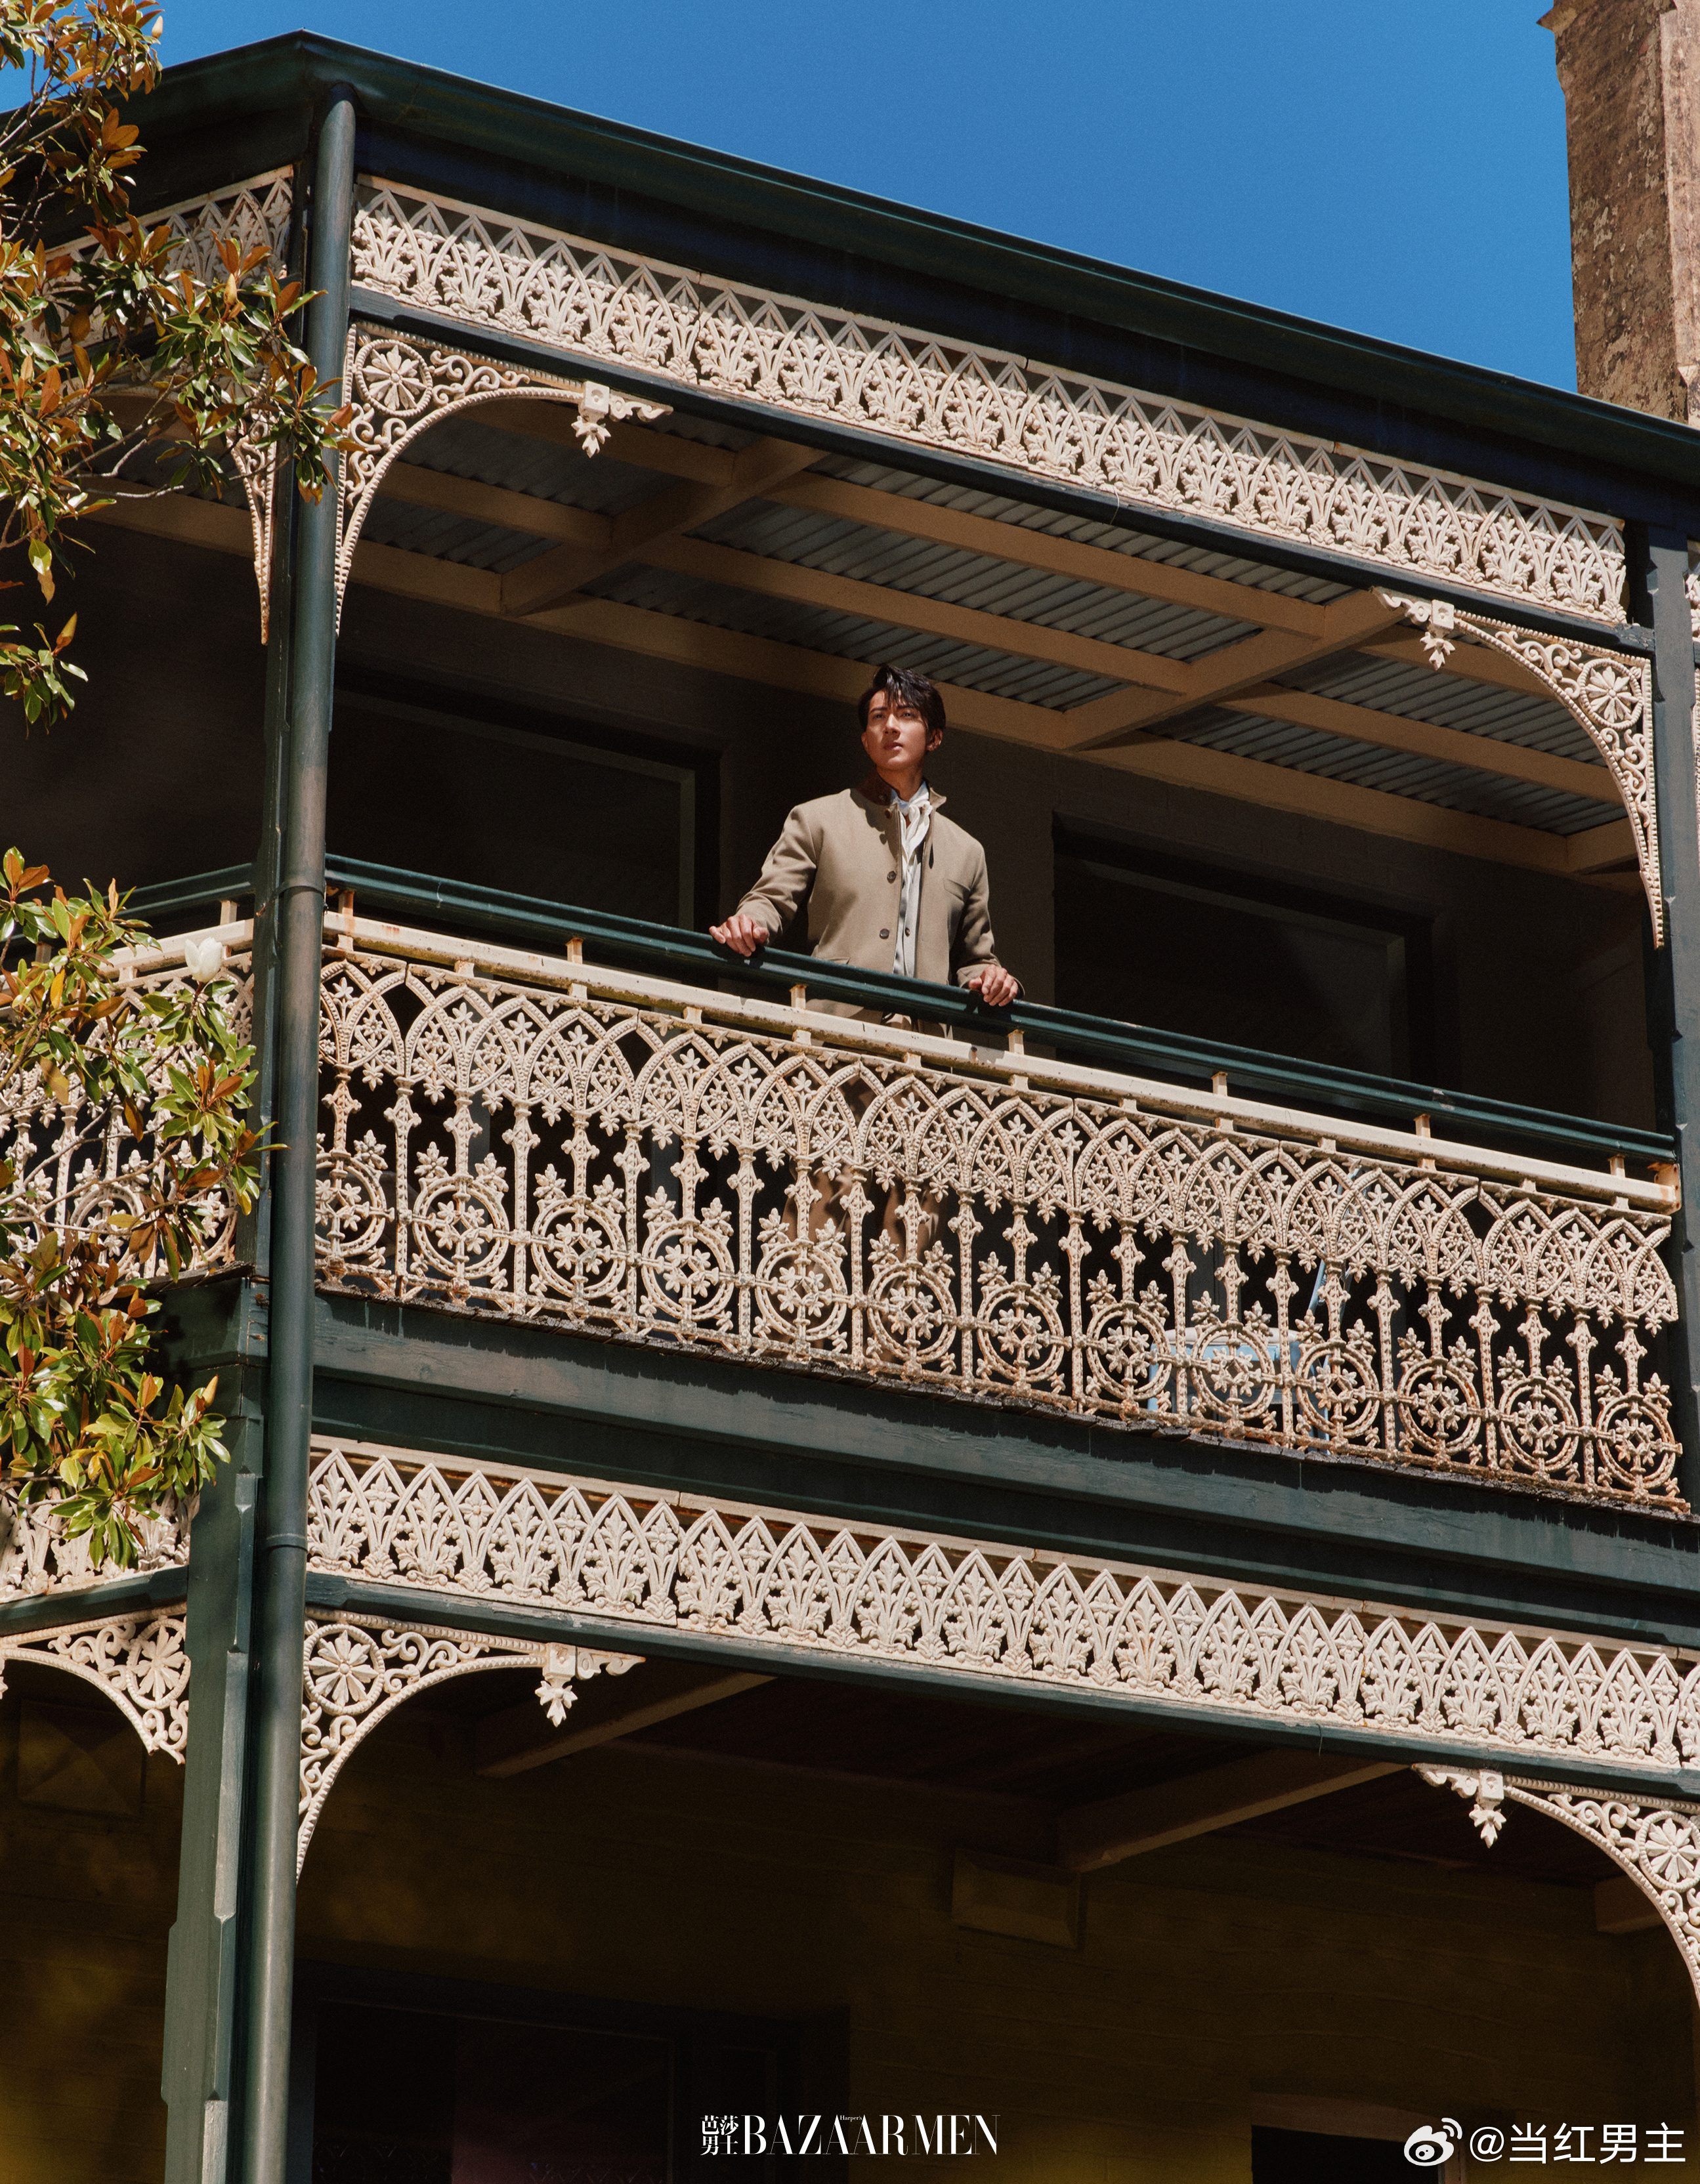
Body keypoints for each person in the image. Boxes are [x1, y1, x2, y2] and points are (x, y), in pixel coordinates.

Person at [710, 663, 1019, 1015]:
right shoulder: (818, 819)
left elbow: (975, 960)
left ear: (934, 737)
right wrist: (748, 922)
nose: (890, 726)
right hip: (835, 1036)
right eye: (878, 717)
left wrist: (994, 979)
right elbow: (770, 899)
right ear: (865, 740)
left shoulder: (967, 852)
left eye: (906, 715)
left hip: (927, 1050)